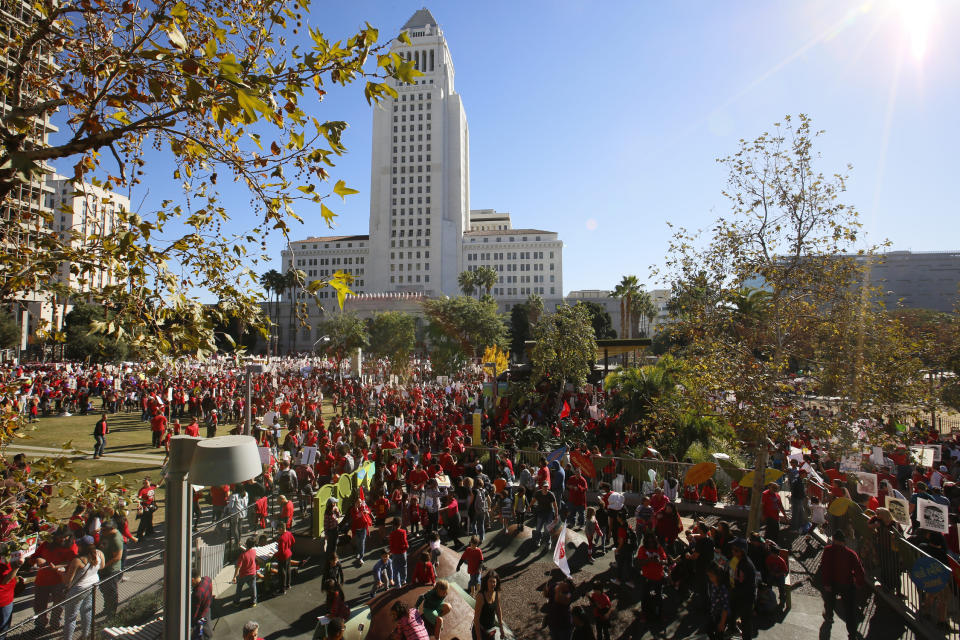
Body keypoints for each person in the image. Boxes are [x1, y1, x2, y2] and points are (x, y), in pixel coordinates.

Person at [819, 529, 865, 639]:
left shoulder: (828, 550)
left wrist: (826, 583)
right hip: (847, 583)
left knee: (829, 601)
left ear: (834, 540)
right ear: (844, 541)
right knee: (850, 611)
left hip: (832, 582)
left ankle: (829, 616)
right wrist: (859, 583)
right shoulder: (851, 553)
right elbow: (860, 571)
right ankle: (852, 633)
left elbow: (824, 567)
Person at [32, 525, 77, 632]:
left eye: (65, 537)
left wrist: (56, 567)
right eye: (59, 537)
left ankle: (54, 623)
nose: (62, 539)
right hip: (42, 580)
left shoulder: (71, 545)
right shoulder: (47, 543)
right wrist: (38, 559)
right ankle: (40, 625)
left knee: (58, 605)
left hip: (59, 580)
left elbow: (72, 562)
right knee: (39, 605)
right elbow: (34, 556)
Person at [61, 536, 103, 640]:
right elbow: (101, 566)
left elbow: (67, 581)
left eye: (78, 545)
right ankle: (85, 635)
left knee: (70, 617)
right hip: (92, 585)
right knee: (87, 610)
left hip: (78, 590)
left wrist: (61, 572)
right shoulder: (98, 554)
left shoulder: (78, 560)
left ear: (82, 547)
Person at [729, 539, 757, 640]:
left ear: (742, 551)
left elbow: (746, 585)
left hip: (745, 598)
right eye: (732, 549)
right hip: (738, 594)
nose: (733, 552)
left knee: (745, 623)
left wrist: (735, 591)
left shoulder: (746, 565)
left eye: (736, 550)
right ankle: (732, 629)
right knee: (733, 614)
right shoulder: (738, 560)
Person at [98, 519, 124, 617]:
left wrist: (104, 565)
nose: (102, 531)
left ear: (112, 529)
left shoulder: (116, 539)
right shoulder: (106, 535)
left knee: (111, 592)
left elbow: (117, 557)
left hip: (111, 570)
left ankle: (111, 614)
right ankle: (106, 608)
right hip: (102, 568)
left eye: (104, 529)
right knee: (104, 590)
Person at [473, 571, 505, 640]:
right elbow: (476, 619)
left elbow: (498, 610)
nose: (492, 584)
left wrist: (501, 628)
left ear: (496, 583)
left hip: (491, 630)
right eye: (490, 581)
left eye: (494, 582)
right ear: (486, 582)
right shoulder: (481, 596)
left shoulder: (496, 594)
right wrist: (479, 637)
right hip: (480, 630)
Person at [706, 563, 731, 640]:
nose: (710, 578)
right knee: (709, 630)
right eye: (708, 576)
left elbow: (726, 606)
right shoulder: (712, 584)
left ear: (717, 575)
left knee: (719, 635)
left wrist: (722, 622)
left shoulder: (723, 588)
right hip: (714, 612)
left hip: (722, 616)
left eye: (711, 576)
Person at [0, 553, 23, 639]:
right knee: (3, 630)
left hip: (7, 596)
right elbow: (5, 581)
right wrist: (17, 566)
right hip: (3, 599)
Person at [232, 537, 259, 608]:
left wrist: (234, 577)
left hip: (244, 574)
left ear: (246, 544)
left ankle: (237, 602)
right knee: (253, 587)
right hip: (252, 573)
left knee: (239, 587)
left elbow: (238, 567)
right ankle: (253, 602)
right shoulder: (254, 551)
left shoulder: (242, 555)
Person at [544, 576, 573, 640]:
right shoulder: (556, 587)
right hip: (552, 623)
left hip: (563, 626)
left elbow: (558, 599)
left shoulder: (568, 595)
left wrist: (558, 589)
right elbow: (546, 595)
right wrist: (545, 590)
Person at [532, 482, 558, 549]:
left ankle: (548, 542)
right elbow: (534, 500)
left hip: (549, 513)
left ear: (548, 487)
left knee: (547, 529)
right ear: (542, 487)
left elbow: (555, 505)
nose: (545, 488)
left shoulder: (551, 494)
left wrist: (556, 515)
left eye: (546, 486)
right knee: (538, 528)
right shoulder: (538, 493)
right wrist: (529, 506)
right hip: (540, 512)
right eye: (544, 486)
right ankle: (538, 540)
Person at [275, 522, 295, 594]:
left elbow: (281, 551)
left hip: (283, 556)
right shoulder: (289, 533)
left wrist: (274, 554)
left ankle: (282, 589)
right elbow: (293, 541)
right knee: (288, 569)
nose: (278, 531)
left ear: (281, 528)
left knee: (282, 573)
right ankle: (288, 585)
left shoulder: (281, 538)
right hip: (289, 553)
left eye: (278, 529)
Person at [192, 567, 213, 635]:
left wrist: (192, 624)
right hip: (207, 607)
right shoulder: (208, 579)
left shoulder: (197, 594)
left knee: (201, 632)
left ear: (192, 580)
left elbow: (195, 612)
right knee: (208, 625)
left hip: (201, 615)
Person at [389, 521, 410, 587]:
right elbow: (404, 540)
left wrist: (391, 551)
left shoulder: (392, 534)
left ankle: (398, 584)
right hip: (402, 551)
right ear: (400, 524)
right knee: (404, 566)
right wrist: (406, 546)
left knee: (395, 568)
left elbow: (391, 544)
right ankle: (403, 580)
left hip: (395, 553)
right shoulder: (403, 531)